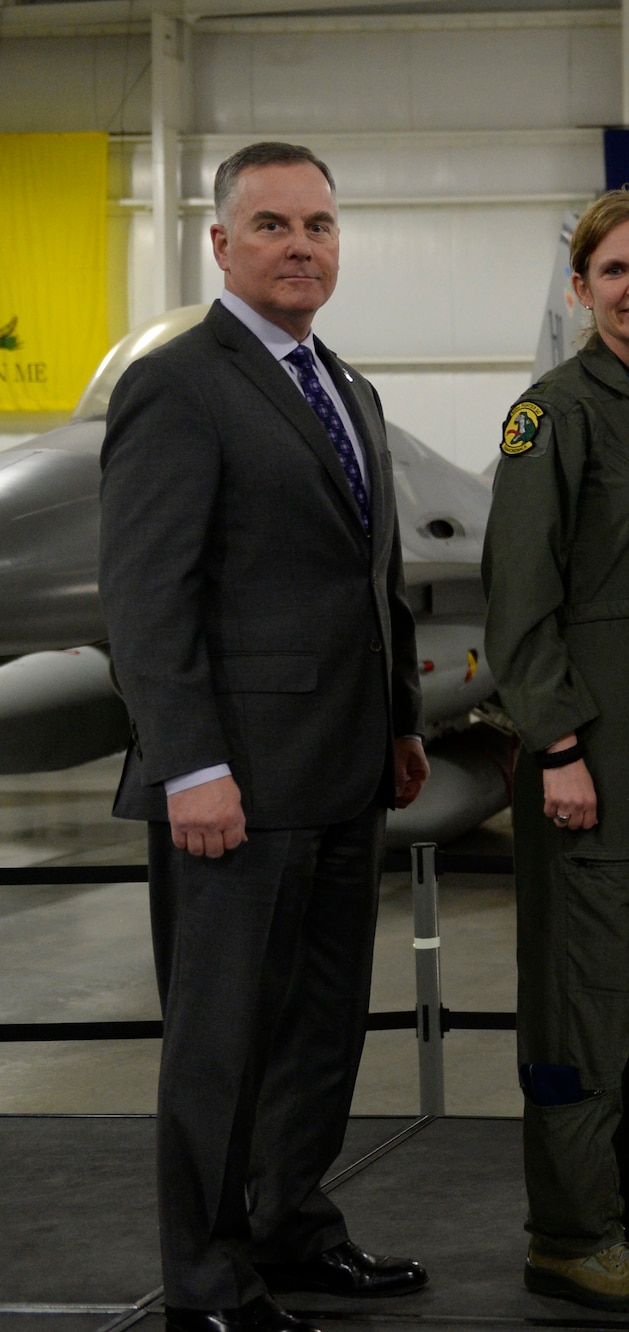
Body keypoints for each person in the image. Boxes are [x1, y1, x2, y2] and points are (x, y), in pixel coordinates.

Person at [99, 141, 430, 1332]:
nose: (303, 246)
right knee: (222, 1046)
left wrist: (398, 723)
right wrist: (190, 763)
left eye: (321, 226)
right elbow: (146, 596)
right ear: (222, 243)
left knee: (322, 1029)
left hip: (345, 771)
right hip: (230, 782)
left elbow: (370, 574)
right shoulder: (180, 383)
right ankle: (205, 1279)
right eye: (276, 225)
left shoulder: (347, 386)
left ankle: (292, 1226)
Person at [480, 190, 629, 1311]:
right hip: (599, 742)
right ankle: (569, 1231)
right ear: (581, 290)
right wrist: (558, 744)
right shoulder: (554, 413)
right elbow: (519, 598)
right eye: (613, 269)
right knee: (585, 996)